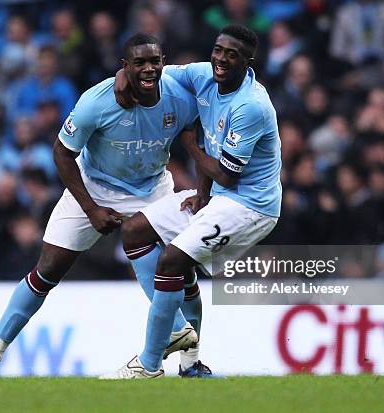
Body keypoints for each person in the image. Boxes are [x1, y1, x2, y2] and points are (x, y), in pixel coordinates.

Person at [0, 33, 205, 379]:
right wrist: (91, 208)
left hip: (153, 188)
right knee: (46, 272)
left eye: (155, 61)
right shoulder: (97, 101)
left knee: (183, 271)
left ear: (163, 62)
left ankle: (190, 363)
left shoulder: (180, 97)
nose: (149, 68)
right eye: (140, 62)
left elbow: (197, 128)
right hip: (94, 188)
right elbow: (62, 153)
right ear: (125, 66)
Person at [103, 24, 281, 378]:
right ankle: (190, 360)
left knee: (171, 261)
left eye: (232, 55)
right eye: (218, 50)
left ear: (249, 61)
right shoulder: (204, 74)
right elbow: (157, 71)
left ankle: (149, 365)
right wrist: (123, 76)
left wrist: (188, 145)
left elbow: (228, 175)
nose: (221, 59)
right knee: (135, 230)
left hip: (250, 206)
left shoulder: (251, 106)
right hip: (218, 195)